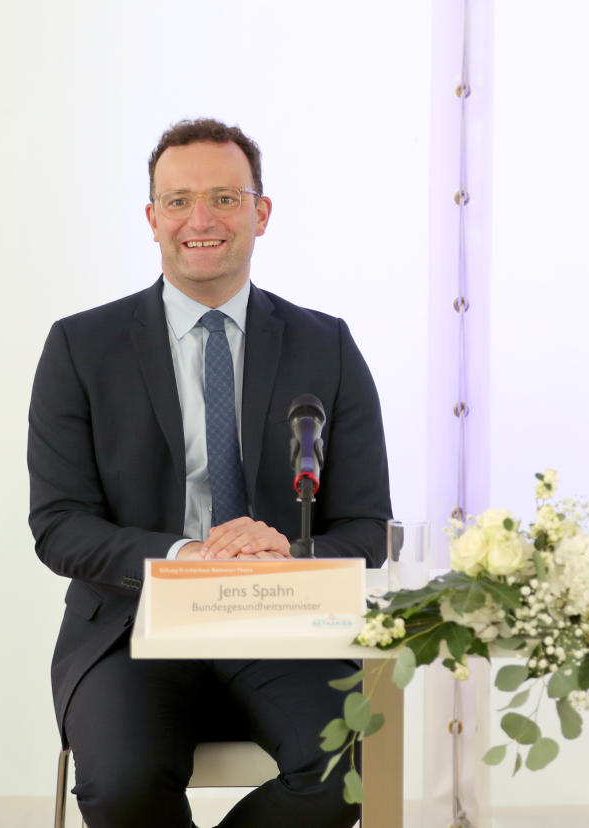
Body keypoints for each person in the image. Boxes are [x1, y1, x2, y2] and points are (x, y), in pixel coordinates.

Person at [28, 118, 392, 828]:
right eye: (179, 200)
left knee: (348, 772)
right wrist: (185, 558)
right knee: (124, 785)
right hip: (129, 630)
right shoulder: (80, 346)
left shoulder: (328, 345)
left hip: (287, 626)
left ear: (260, 212)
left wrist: (287, 552)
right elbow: (59, 525)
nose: (201, 219)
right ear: (151, 217)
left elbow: (367, 526)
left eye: (225, 198)